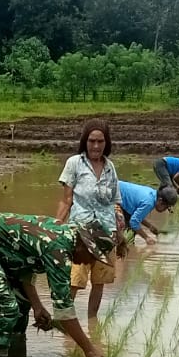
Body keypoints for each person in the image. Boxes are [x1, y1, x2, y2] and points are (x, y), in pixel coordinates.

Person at [0, 213, 116, 357]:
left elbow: (25, 265)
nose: (90, 262)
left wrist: (37, 306)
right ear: (83, 244)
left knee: (22, 305)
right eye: (92, 256)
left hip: (0, 248)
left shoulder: (66, 238)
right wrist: (89, 350)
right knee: (6, 310)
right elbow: (63, 310)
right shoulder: (58, 248)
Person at [55, 118, 125, 320]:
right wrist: (57, 226)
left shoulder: (110, 167)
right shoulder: (74, 163)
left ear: (107, 143)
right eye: (92, 141)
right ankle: (65, 322)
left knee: (99, 281)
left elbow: (115, 204)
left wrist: (120, 235)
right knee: (74, 280)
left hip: (106, 232)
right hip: (80, 231)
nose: (96, 146)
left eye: (100, 141)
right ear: (85, 141)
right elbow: (66, 200)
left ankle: (93, 325)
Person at [117, 181, 178, 246]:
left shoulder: (152, 194)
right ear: (160, 200)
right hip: (112, 194)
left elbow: (136, 215)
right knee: (126, 234)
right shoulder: (149, 203)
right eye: (166, 207)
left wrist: (150, 226)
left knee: (129, 231)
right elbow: (134, 222)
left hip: (116, 191)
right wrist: (146, 238)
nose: (165, 210)